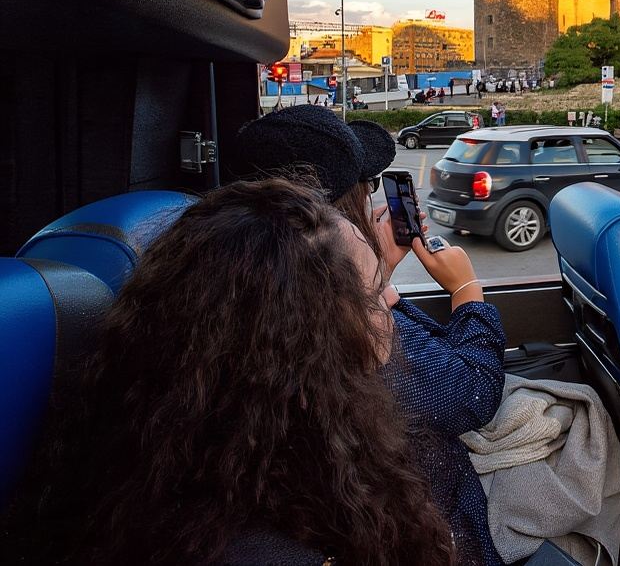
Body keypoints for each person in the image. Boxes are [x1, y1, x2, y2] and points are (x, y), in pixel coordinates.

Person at [21, 179, 458, 565]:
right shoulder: (294, 532)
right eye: (375, 291)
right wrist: (466, 292)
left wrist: (365, 271)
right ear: (307, 351)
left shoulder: (151, 453)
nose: (395, 297)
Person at [233, 105, 507, 565]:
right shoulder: (345, 333)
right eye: (368, 188)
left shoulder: (247, 300)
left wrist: (369, 270)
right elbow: (473, 393)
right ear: (331, 215)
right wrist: (467, 290)